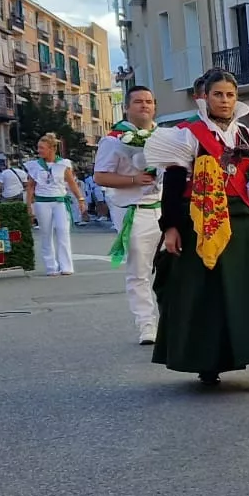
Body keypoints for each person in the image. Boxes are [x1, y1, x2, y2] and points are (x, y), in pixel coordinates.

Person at [145, 69, 249, 391]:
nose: (225, 101)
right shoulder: (186, 136)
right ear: (205, 97)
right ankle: (208, 361)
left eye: (230, 95)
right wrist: (170, 228)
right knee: (207, 297)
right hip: (203, 225)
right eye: (218, 95)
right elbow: (172, 184)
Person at [94, 86, 163, 344]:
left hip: (164, 208)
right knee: (139, 271)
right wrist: (134, 178)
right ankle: (147, 324)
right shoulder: (113, 140)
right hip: (134, 212)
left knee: (174, 270)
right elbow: (100, 176)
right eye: (138, 102)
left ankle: (174, 320)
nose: (144, 105)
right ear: (126, 107)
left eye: (148, 101)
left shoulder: (164, 136)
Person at [24, 134, 83, 277]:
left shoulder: (63, 164)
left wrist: (80, 199)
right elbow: (30, 187)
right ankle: (51, 266)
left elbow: (71, 183)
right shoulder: (34, 165)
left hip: (60, 201)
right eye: (38, 148)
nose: (39, 150)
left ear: (51, 149)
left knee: (63, 231)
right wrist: (28, 206)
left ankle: (66, 266)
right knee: (46, 234)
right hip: (42, 202)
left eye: (42, 148)